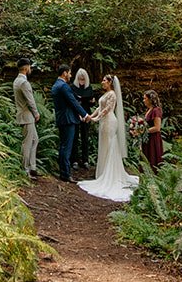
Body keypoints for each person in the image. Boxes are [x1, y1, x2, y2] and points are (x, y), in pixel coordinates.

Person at [79, 74, 139, 203]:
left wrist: (95, 119)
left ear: (110, 83)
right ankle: (102, 172)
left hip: (110, 122)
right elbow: (99, 108)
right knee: (104, 145)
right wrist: (90, 116)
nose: (102, 82)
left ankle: (110, 174)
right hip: (103, 122)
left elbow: (107, 109)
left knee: (109, 145)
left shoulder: (112, 94)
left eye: (104, 81)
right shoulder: (105, 94)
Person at [50, 63, 90, 182]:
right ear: (64, 73)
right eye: (70, 73)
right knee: (67, 147)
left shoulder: (56, 85)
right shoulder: (64, 86)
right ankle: (66, 174)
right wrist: (85, 114)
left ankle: (63, 172)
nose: (71, 75)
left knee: (63, 146)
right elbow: (73, 102)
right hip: (68, 119)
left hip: (62, 119)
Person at [12, 58, 40, 178]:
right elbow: (30, 100)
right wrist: (36, 113)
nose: (30, 69)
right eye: (29, 66)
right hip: (27, 116)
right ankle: (26, 169)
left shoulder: (16, 81)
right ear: (26, 67)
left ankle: (32, 166)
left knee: (34, 140)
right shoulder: (24, 83)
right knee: (27, 143)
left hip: (24, 115)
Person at [71, 66, 94, 169]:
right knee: (75, 137)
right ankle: (74, 160)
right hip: (76, 115)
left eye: (83, 79)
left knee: (85, 137)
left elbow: (90, 102)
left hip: (86, 115)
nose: (82, 81)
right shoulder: (73, 87)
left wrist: (92, 102)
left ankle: (85, 160)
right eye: (80, 79)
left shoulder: (88, 88)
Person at [140, 89, 164, 171]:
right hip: (147, 139)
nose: (143, 101)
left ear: (150, 99)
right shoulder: (149, 110)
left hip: (153, 139)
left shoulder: (156, 110)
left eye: (145, 98)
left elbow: (157, 127)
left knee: (152, 158)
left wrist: (143, 131)